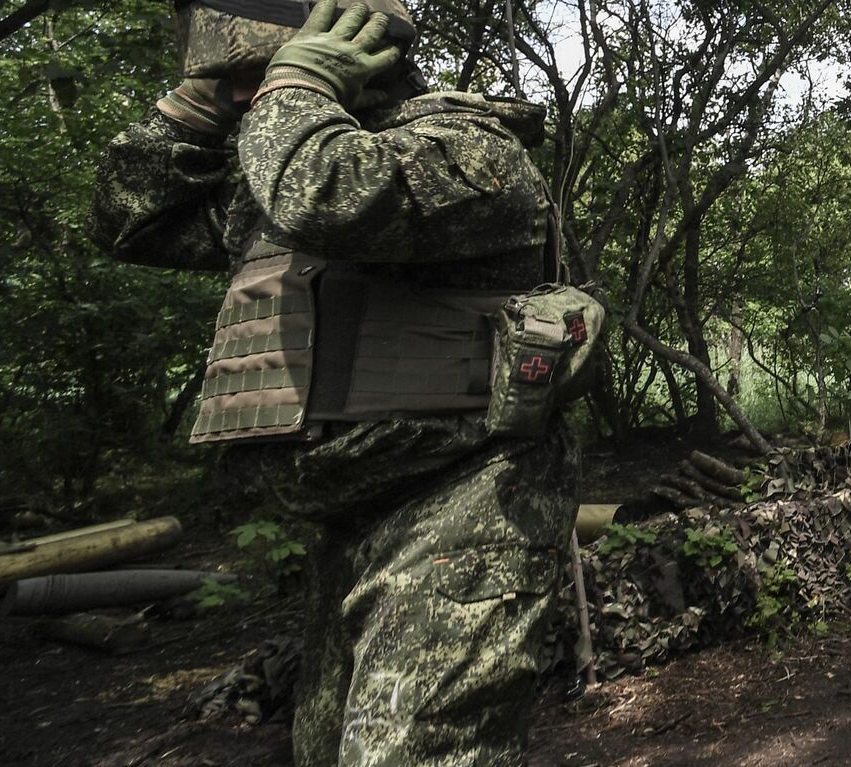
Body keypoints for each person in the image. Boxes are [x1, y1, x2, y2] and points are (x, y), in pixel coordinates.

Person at [91, 0, 576, 763]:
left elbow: (327, 196)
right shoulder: (278, 167)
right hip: (347, 519)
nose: (255, 99)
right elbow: (130, 219)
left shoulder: (468, 148)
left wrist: (292, 89)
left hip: (459, 505)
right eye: (242, 84)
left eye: (261, 75)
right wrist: (198, 101)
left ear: (356, 56)